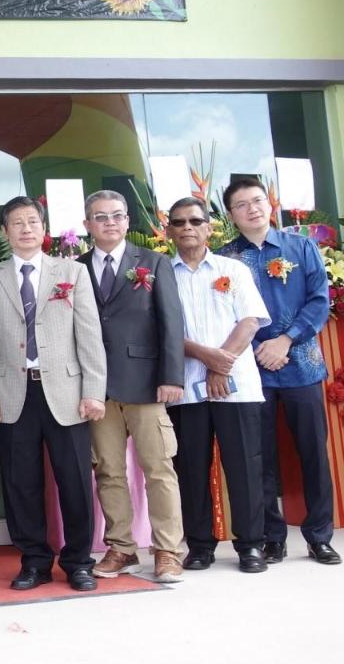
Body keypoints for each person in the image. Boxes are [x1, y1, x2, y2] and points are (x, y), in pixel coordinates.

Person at [0, 195, 107, 592]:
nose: (26, 228)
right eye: (17, 223)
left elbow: (89, 334)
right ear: (5, 232)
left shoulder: (72, 272)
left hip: (67, 392)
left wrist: (93, 390)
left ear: (44, 229)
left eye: (33, 221)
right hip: (16, 393)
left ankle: (80, 561)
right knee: (20, 483)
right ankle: (34, 561)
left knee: (76, 482)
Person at [218, 178, 339, 565]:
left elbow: (319, 301)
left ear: (269, 204)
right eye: (242, 204)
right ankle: (272, 536)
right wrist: (253, 349)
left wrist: (285, 341)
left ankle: (320, 535)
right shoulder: (224, 259)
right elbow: (221, 316)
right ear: (231, 214)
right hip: (252, 372)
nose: (252, 209)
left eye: (257, 201)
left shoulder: (301, 247)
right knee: (259, 456)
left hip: (301, 365)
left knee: (313, 453)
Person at [76, 190, 187, 583]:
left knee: (159, 469)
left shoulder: (153, 262)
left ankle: (168, 551)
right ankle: (121, 547)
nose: (109, 222)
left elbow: (172, 323)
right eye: (99, 216)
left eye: (116, 215)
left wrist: (172, 377)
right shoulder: (73, 268)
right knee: (108, 471)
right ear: (87, 224)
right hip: (96, 388)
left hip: (145, 384)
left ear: (127, 222)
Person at [165, 197, 271, 573]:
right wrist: (207, 358)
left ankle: (251, 546)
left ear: (210, 228)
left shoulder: (233, 269)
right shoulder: (163, 274)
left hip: (236, 384)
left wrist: (221, 365)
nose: (188, 227)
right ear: (169, 230)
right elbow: (161, 331)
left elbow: (251, 321)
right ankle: (200, 546)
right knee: (190, 470)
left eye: (196, 220)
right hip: (185, 388)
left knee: (244, 467)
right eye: (179, 222)